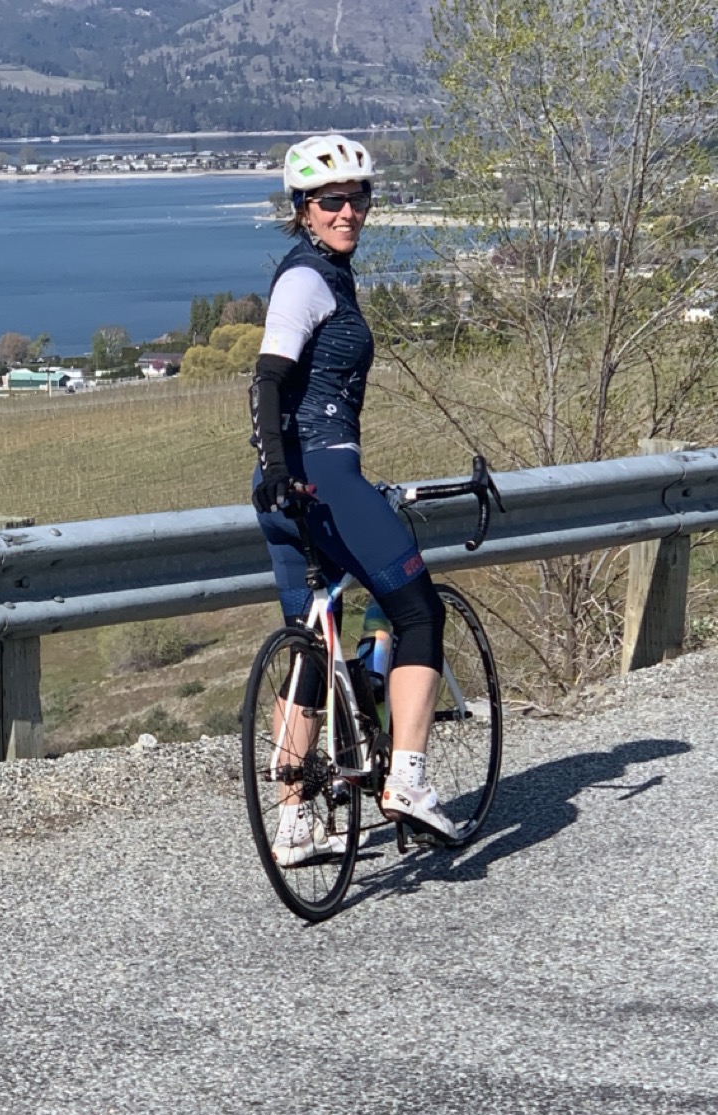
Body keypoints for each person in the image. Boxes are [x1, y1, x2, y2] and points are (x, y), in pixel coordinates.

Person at [249, 132, 455, 864]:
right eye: (331, 200)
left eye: (358, 197)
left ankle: (296, 822)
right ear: (302, 209)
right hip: (324, 478)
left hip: (282, 491)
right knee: (416, 609)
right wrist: (285, 461)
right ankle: (407, 779)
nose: (348, 212)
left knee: (311, 642)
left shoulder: (328, 275)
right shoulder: (307, 279)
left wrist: (274, 472)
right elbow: (268, 377)